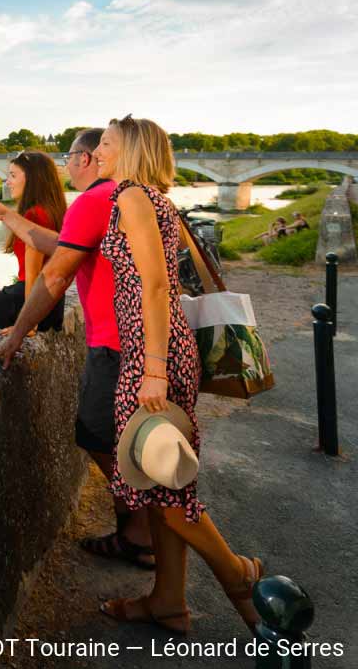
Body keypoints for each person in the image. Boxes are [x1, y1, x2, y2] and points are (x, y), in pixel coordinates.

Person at [93, 115, 262, 633]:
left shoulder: (131, 196)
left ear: (132, 150)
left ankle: (237, 574)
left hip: (152, 352)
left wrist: (154, 370)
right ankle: (168, 601)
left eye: (105, 143)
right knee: (160, 477)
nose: (96, 151)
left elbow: (157, 286)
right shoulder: (156, 197)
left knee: (165, 486)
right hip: (160, 349)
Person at [0, 130, 154, 569]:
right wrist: (7, 215)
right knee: (123, 441)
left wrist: (18, 332)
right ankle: (135, 532)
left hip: (118, 343)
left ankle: (152, 527)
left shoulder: (98, 200)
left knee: (99, 436)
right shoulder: (135, 197)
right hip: (133, 341)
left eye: (85, 152)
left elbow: (54, 276)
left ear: (94, 158)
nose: (79, 160)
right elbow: (60, 245)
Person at [0, 151, 67, 333]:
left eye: (13, 175)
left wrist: (28, 324)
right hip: (52, 303)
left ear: (32, 179)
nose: (7, 182)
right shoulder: (54, 210)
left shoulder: (34, 215)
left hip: (30, 304)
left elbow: (34, 275)